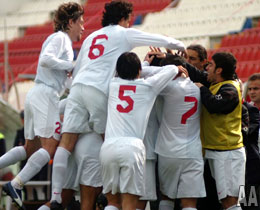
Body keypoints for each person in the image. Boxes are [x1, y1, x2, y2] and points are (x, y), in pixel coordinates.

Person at [50, 0, 186, 208]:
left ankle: (56, 196)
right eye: (128, 20)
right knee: (110, 136)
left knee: (67, 142)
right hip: (100, 90)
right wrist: (178, 45)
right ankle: (108, 190)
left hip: (78, 87)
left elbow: (79, 68)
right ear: (124, 18)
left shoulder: (91, 37)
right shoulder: (124, 33)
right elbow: (156, 38)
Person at [1, 2, 84, 209]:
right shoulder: (61, 38)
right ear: (71, 22)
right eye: (80, 22)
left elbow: (63, 81)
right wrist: (71, 65)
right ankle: (16, 183)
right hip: (45, 94)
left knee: (30, 149)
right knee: (50, 146)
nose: (83, 27)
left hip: (37, 93)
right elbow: (46, 60)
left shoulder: (56, 39)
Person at [100, 52, 183, 210]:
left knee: (112, 202)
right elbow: (172, 69)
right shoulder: (148, 87)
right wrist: (145, 66)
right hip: (132, 148)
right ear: (138, 70)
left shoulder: (113, 84)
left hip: (108, 146)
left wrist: (142, 65)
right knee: (131, 204)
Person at [184, 52, 246, 210]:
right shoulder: (217, 84)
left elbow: (214, 105)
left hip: (227, 151)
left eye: (210, 65)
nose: (207, 68)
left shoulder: (230, 88)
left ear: (219, 70)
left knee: (230, 201)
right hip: (217, 150)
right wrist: (172, 58)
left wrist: (202, 89)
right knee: (225, 201)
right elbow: (197, 74)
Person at [154, 54, 205, 210]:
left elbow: (145, 78)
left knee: (167, 197)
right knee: (189, 203)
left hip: (168, 151)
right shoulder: (199, 88)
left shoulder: (168, 88)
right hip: (193, 152)